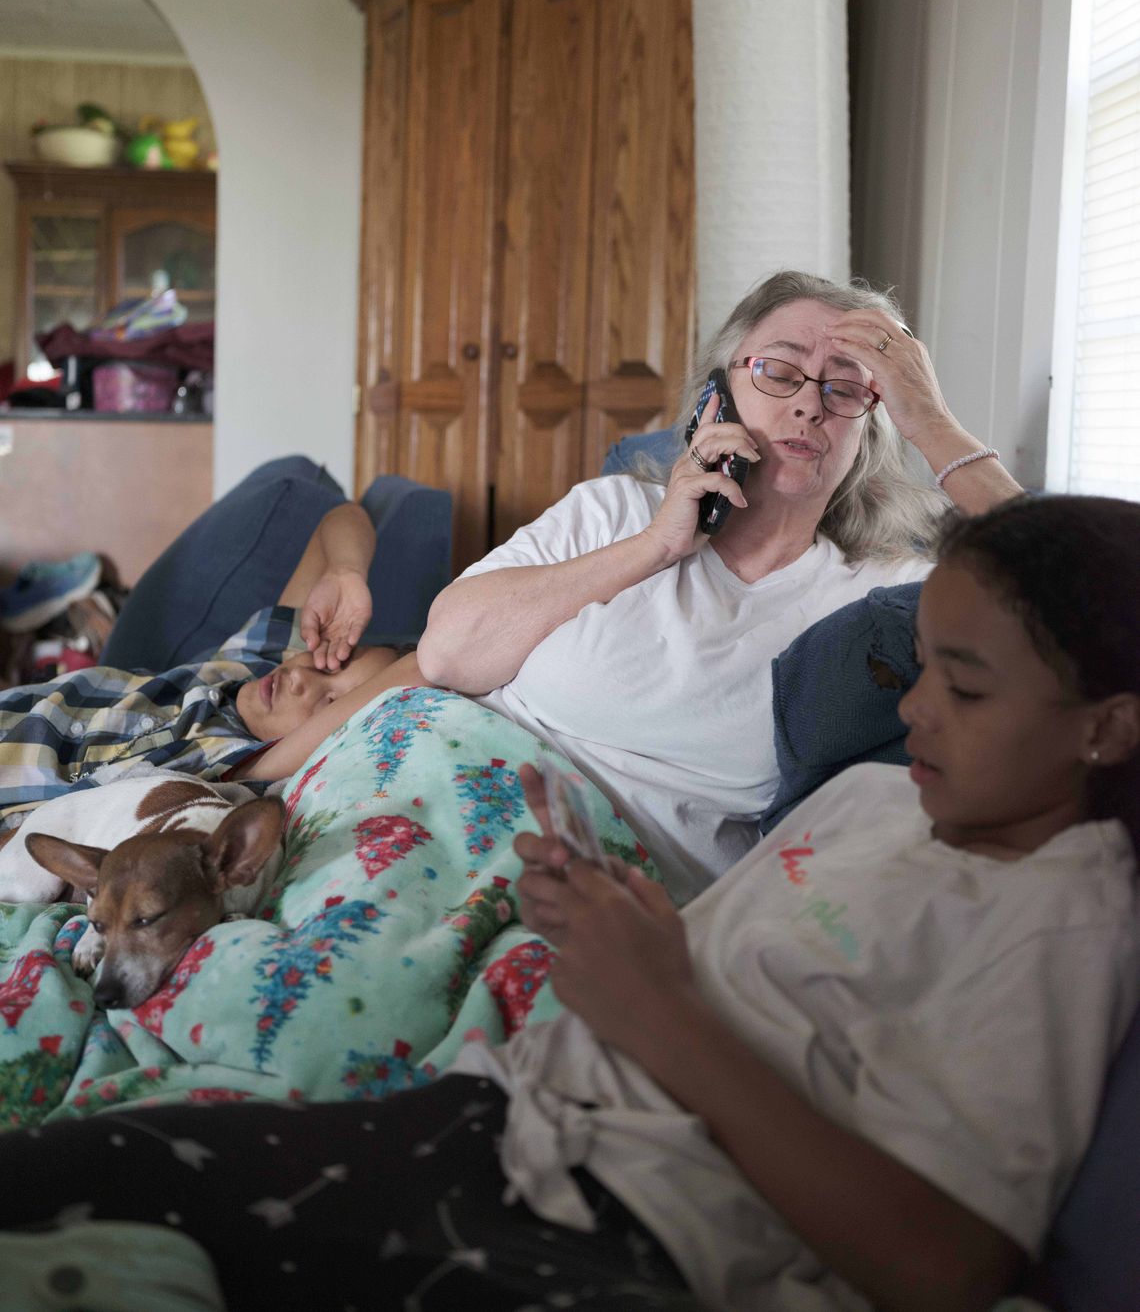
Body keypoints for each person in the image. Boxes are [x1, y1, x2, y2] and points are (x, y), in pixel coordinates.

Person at [0, 492, 1136, 1312]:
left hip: (622, 1225)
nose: (921, 711)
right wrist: (608, 919)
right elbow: (719, 962)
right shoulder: (878, 800)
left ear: (1109, 724)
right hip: (503, 1116)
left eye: (967, 686)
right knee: (55, 1182)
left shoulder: (1064, 916)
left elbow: (946, 1266)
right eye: (922, 671)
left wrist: (659, 1009)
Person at [417, 269, 1024, 899]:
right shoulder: (612, 511)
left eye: (846, 389)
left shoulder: (880, 598)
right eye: (780, 373)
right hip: (445, 799)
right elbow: (445, 655)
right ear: (718, 396)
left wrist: (931, 421)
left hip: (612, 891)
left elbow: (1077, 597)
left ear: (868, 432)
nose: (810, 403)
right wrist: (656, 545)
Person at [0, 500, 423, 839]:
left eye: (331, 702)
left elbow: (423, 668)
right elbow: (343, 516)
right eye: (335, 660)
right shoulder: (254, 661)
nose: (301, 679)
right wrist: (345, 572)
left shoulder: (248, 768)